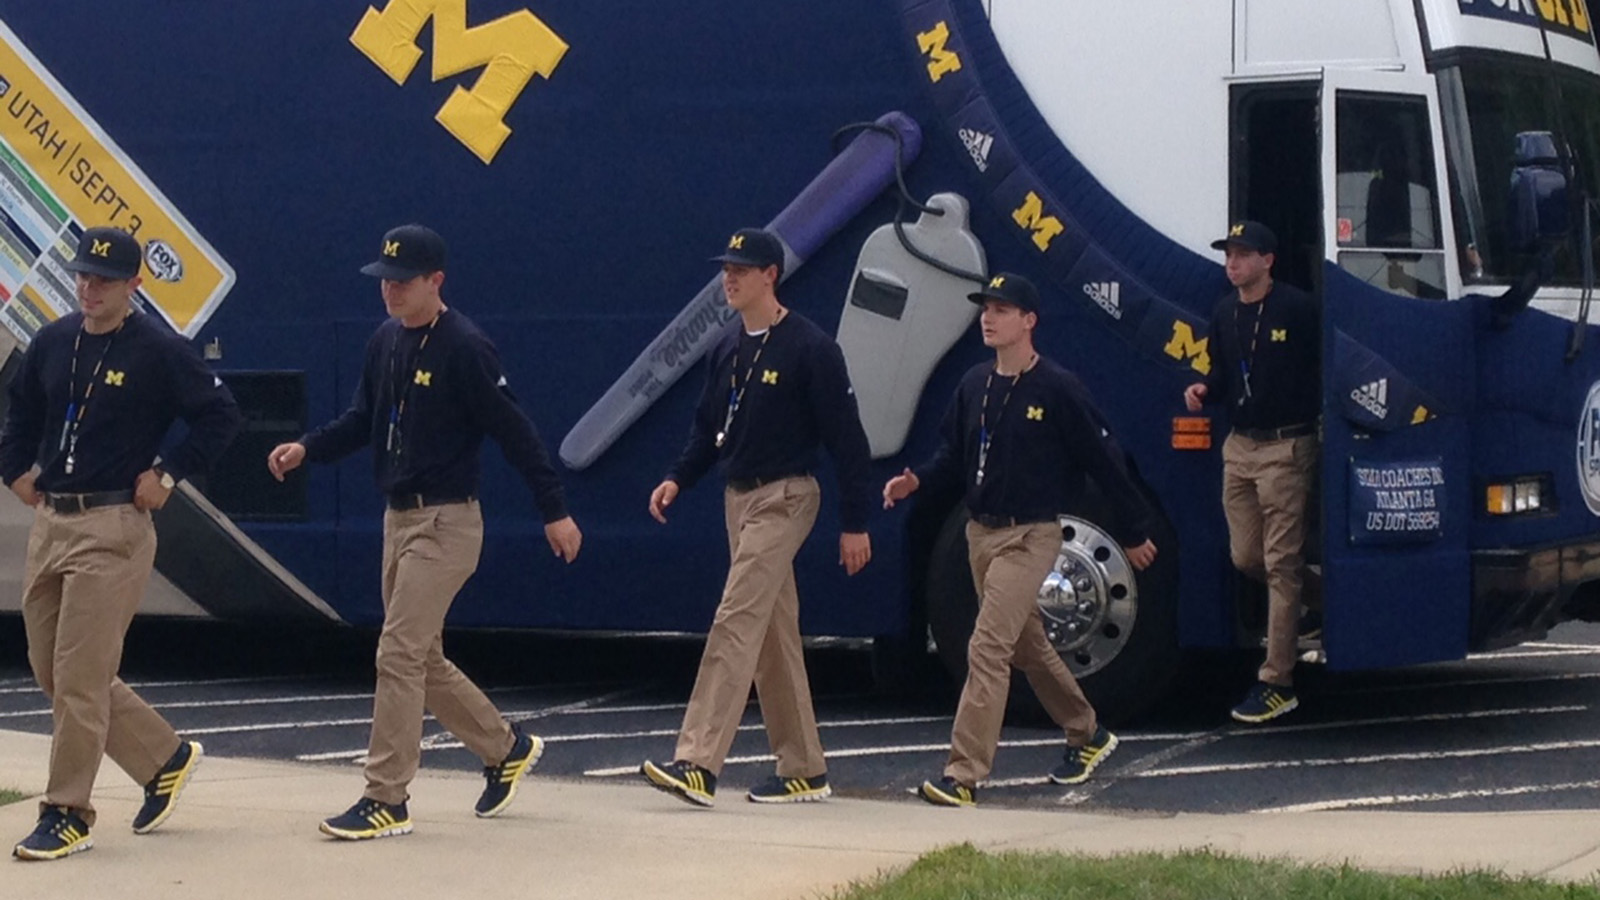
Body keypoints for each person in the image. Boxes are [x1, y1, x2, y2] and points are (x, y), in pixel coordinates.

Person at [267, 224, 582, 839]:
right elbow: (362, 420)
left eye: (403, 281)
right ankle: (504, 748)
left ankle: (387, 796)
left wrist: (554, 508)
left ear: (436, 281)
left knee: (398, 651)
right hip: (399, 517)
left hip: (447, 521)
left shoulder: (466, 347)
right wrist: (307, 448)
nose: (390, 292)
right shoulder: (385, 342)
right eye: (384, 280)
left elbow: (514, 430)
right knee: (421, 657)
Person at [1, 226, 242, 860]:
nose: (89, 287)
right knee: (51, 668)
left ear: (135, 284)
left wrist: (167, 474)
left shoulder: (160, 351)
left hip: (115, 527)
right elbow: (20, 411)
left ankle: (67, 811)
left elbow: (222, 414)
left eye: (103, 280)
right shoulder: (54, 342)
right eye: (83, 275)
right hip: (54, 521)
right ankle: (164, 756)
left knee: (81, 677)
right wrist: (15, 471)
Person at [884, 272, 1157, 808]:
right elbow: (954, 457)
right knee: (1028, 645)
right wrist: (916, 479)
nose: (988, 317)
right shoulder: (974, 385)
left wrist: (1132, 531)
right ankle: (1088, 732)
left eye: (1002, 309)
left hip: (1030, 536)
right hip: (980, 535)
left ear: (1029, 321)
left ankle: (963, 774)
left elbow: (1105, 462)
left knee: (987, 647)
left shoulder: (1057, 388)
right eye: (986, 308)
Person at [640, 227, 873, 808]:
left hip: (787, 497)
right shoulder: (727, 347)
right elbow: (706, 430)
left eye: (741, 269)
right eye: (726, 269)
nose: (729, 278)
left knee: (736, 616)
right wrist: (677, 477)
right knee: (771, 633)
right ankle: (803, 768)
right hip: (738, 500)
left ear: (771, 275)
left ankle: (697, 761)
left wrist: (855, 522)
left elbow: (848, 442)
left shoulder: (811, 348)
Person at [1183, 220, 1320, 723]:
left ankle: (1276, 679)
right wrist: (1204, 389)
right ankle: (1325, 597)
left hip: (1287, 445)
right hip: (1240, 446)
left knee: (1281, 563)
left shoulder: (1297, 308)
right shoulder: (1224, 313)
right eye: (1228, 255)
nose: (1232, 263)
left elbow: (1320, 365)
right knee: (1247, 555)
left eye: (1243, 255)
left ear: (1268, 260)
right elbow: (1222, 372)